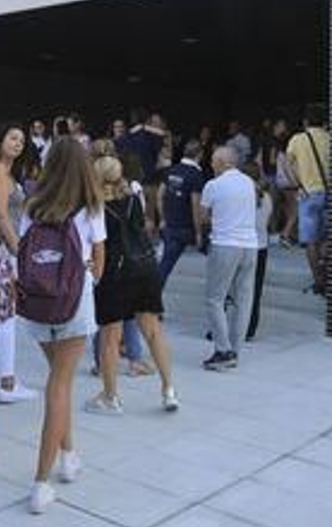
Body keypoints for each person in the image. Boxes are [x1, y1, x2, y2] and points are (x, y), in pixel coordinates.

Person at [21, 138, 105, 515]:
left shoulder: (33, 205)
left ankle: (69, 454)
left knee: (59, 383)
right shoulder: (90, 206)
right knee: (59, 387)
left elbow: (21, 252)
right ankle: (41, 482)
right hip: (74, 304)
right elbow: (99, 263)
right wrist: (86, 278)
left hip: (38, 305)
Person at [86, 156, 178, 415]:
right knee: (153, 331)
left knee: (110, 338)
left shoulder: (95, 206)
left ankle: (110, 396)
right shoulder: (134, 198)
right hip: (144, 267)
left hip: (114, 271)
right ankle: (168, 389)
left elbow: (96, 244)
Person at [0, 123, 36, 405]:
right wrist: (18, 250)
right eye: (13, 138)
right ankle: (7, 384)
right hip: (0, 249)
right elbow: (0, 215)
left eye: (22, 140)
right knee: (6, 315)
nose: (18, 143)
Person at [199, 147, 259, 371]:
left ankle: (223, 350)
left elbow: (203, 216)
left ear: (223, 162)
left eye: (214, 161)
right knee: (243, 300)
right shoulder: (249, 183)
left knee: (215, 299)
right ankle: (235, 350)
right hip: (250, 245)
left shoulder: (213, 185)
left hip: (225, 244)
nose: (211, 165)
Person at [285, 104, 331, 295]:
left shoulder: (298, 139)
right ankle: (326, 270)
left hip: (308, 194)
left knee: (310, 241)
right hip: (330, 194)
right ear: (325, 122)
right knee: (327, 237)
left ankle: (319, 281)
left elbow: (287, 165)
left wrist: (298, 185)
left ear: (306, 121)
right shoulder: (331, 138)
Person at [157, 139, 206, 290]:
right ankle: (150, 304)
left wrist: (163, 218)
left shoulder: (172, 169)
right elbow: (195, 204)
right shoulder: (196, 174)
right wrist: (199, 233)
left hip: (169, 225)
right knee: (164, 268)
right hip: (184, 227)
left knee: (164, 265)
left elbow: (159, 195)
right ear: (200, 154)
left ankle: (151, 303)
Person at [243, 164, 276, 342]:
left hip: (243, 246)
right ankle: (250, 328)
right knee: (255, 290)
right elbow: (268, 224)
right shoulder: (268, 198)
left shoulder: (241, 196)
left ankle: (231, 325)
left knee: (235, 290)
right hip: (261, 246)